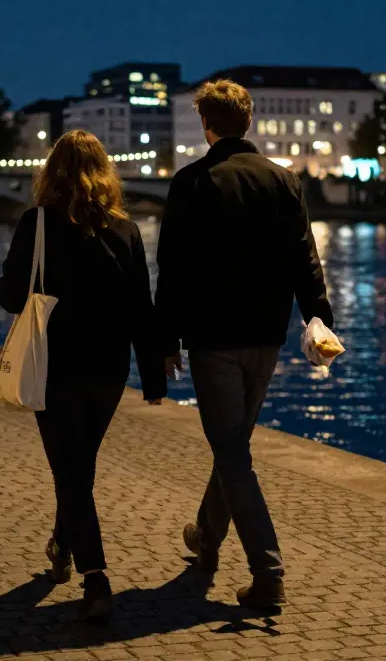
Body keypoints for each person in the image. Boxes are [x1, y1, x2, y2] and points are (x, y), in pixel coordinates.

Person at [155, 80, 334, 609]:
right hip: (268, 336)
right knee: (232, 445)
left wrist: (166, 339)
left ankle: (268, 572)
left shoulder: (191, 183)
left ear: (206, 126)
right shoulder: (283, 181)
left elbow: (174, 272)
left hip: (214, 339)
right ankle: (206, 539)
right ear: (249, 123)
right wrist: (318, 320)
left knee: (231, 450)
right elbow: (306, 258)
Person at [0, 130, 167, 622]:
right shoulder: (125, 230)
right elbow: (142, 308)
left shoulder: (38, 224)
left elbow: (11, 296)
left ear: (51, 172)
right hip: (108, 371)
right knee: (79, 467)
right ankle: (61, 548)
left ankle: (96, 579)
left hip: (54, 366)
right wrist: (153, 380)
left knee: (71, 471)